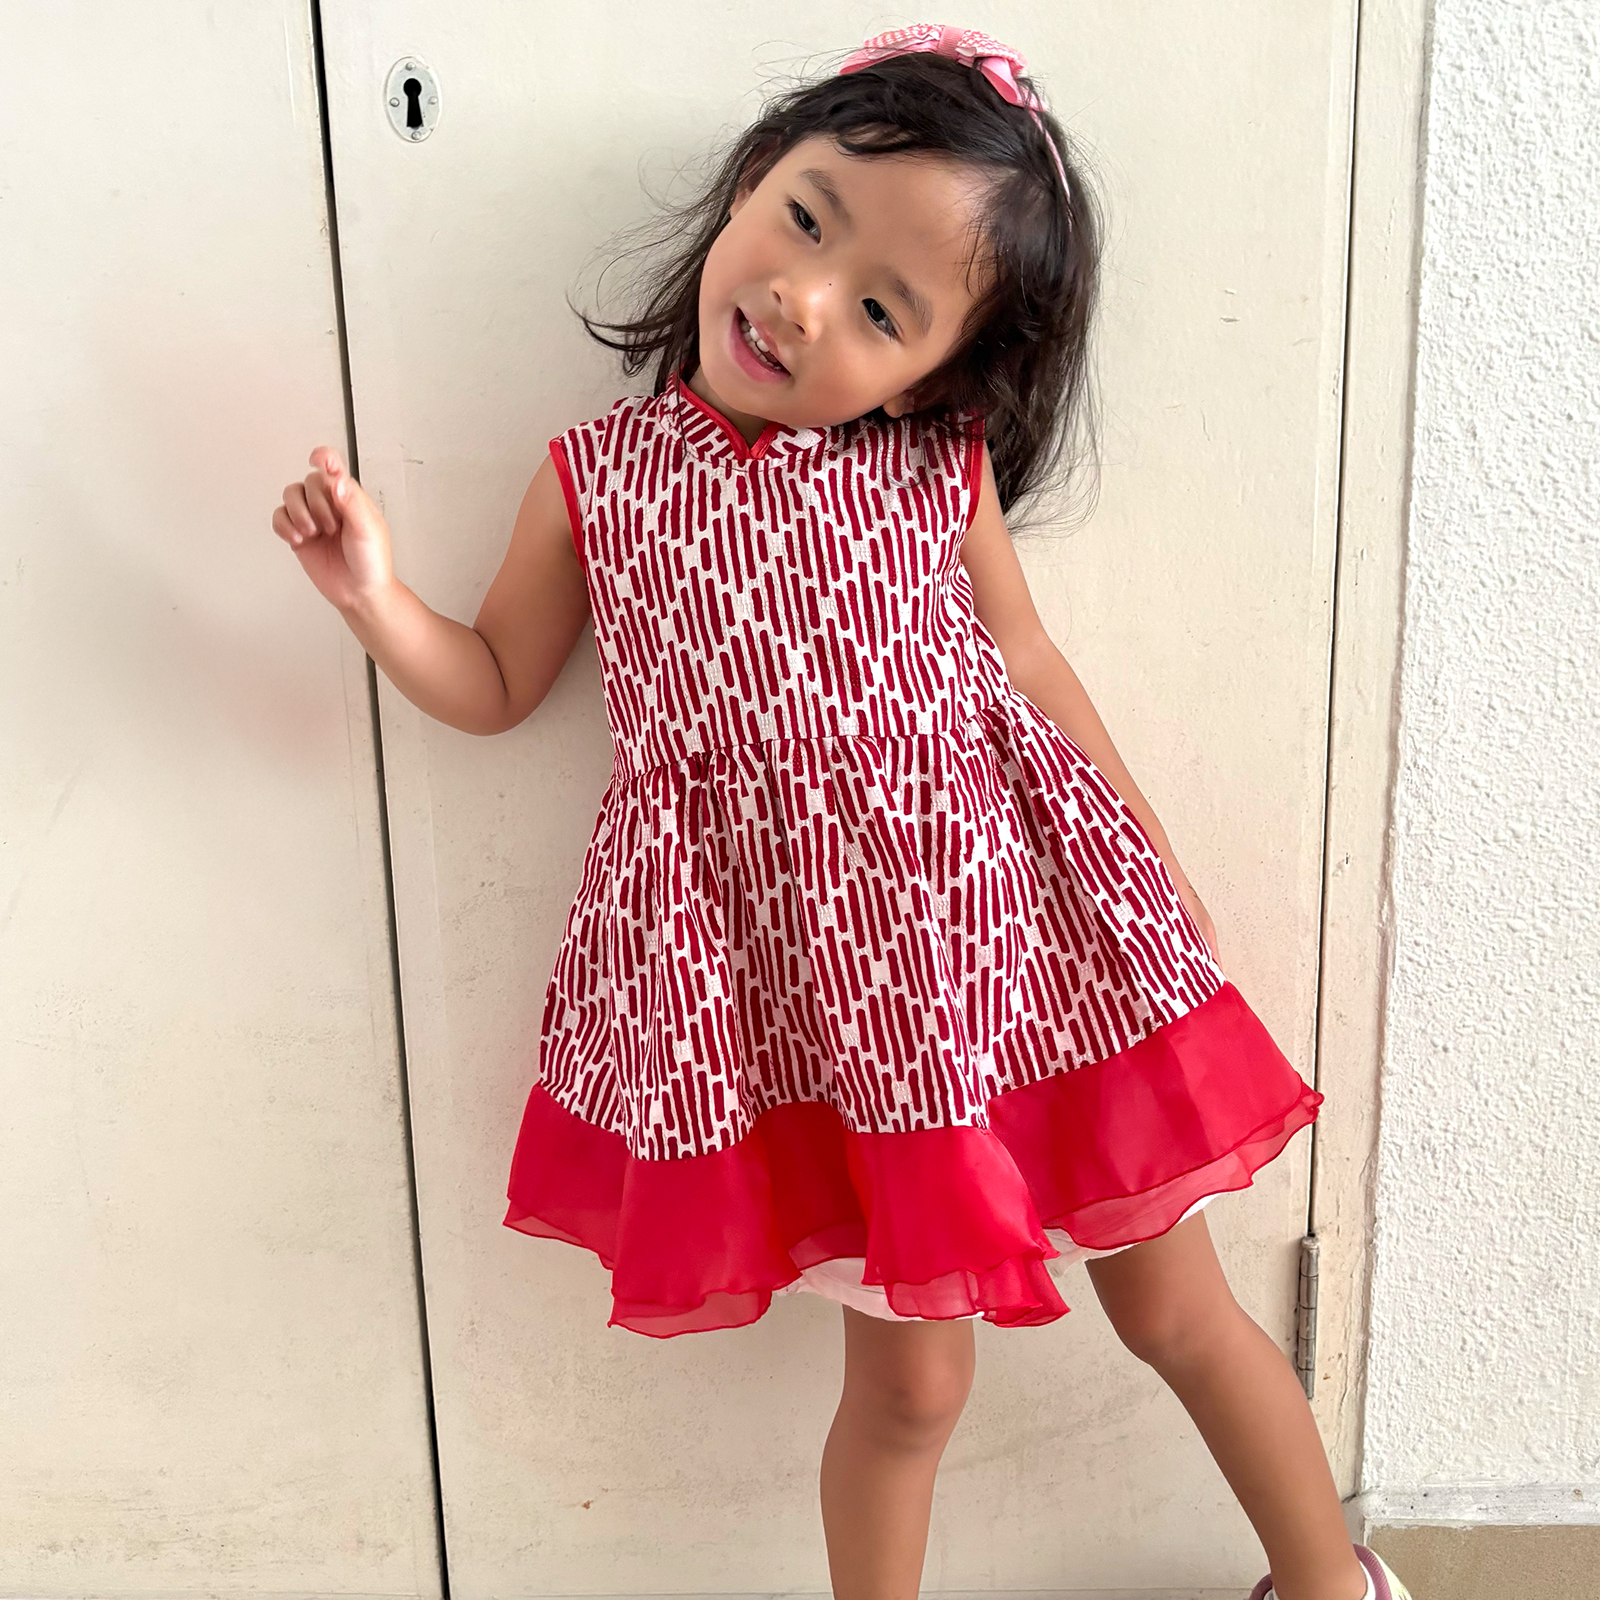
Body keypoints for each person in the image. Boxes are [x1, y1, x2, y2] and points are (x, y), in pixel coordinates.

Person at [272, 23, 1410, 1600]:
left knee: (1176, 1309)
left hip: (1020, 953)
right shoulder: (598, 480)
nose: (806, 301)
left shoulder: (935, 468)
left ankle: (1333, 1584)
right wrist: (376, 601)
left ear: (939, 370)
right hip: (830, 1010)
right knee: (909, 1388)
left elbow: (1022, 656)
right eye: (807, 220)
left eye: (882, 308)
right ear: (753, 181)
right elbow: (495, 680)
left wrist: (1146, 863)